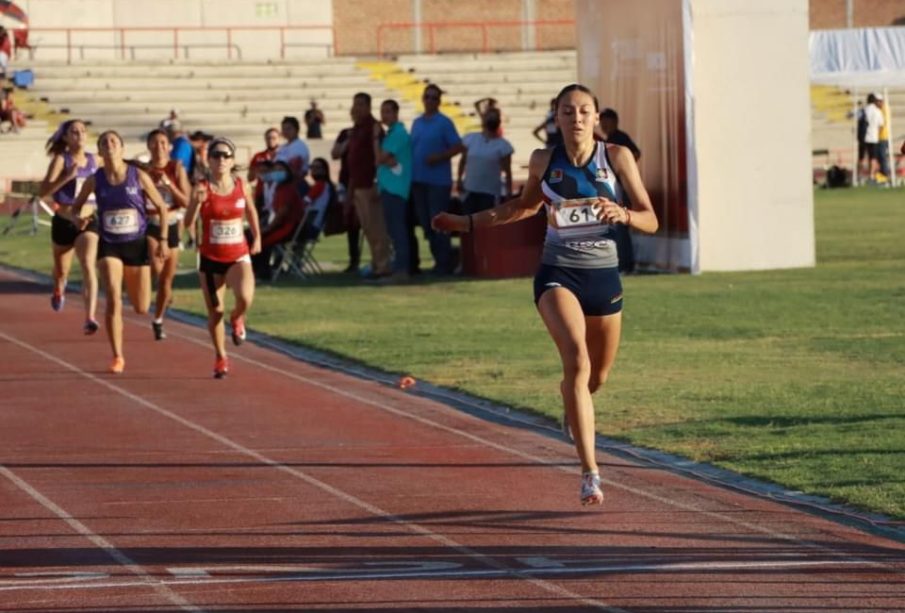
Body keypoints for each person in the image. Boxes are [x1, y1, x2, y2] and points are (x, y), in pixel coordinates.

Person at [432, 84, 658, 505]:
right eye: (568, 111)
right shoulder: (543, 159)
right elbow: (522, 207)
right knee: (577, 361)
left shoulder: (617, 157)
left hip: (604, 278)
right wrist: (467, 223)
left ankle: (573, 402)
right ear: (556, 117)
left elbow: (651, 219)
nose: (576, 118)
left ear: (595, 117)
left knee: (597, 377)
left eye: (584, 111)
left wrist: (623, 213)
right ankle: (590, 473)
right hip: (558, 273)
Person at [70, 130, 170, 374]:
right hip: (110, 245)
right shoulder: (96, 179)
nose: (109, 145)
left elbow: (162, 208)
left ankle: (136, 306)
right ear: (101, 152)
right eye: (104, 143)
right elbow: (76, 208)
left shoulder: (137, 175)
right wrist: (79, 220)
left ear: (122, 149)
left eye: (114, 141)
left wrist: (164, 239)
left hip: (136, 245)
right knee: (113, 297)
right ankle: (117, 356)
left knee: (141, 307)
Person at [184, 137, 261, 379]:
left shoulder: (241, 185)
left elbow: (250, 210)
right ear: (209, 160)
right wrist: (196, 203)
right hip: (210, 257)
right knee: (215, 311)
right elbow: (187, 223)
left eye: (225, 155)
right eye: (216, 155)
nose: (221, 160)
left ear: (232, 160)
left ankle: (237, 317)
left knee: (245, 297)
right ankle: (220, 357)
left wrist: (257, 237)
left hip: (238, 254)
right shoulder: (202, 187)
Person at [38, 119, 101, 334]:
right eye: (74, 132)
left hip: (88, 221)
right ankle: (58, 288)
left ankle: (90, 316)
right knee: (61, 271)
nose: (80, 135)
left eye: (83, 130)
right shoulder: (60, 160)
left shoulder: (95, 160)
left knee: (88, 264)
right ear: (65, 137)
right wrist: (67, 176)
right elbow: (43, 192)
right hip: (64, 222)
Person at [411, 84, 465, 275]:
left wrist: (440, 157)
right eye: (427, 97)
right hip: (418, 180)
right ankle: (440, 260)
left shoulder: (444, 122)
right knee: (426, 224)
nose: (430, 100)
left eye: (434, 98)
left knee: (438, 223)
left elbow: (459, 146)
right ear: (422, 99)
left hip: (438, 182)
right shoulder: (416, 122)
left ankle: (444, 263)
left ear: (439, 101)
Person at [144, 129, 191, 340]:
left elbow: (187, 202)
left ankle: (158, 319)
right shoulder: (143, 170)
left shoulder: (176, 168)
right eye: (155, 143)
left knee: (166, 281)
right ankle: (145, 292)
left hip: (171, 223)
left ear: (169, 146)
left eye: (163, 142)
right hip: (150, 224)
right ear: (148, 146)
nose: (159, 146)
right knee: (157, 266)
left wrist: (169, 186)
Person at [347, 92, 391, 279]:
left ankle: (383, 266)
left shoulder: (373, 128)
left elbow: (378, 157)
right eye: (355, 104)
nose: (356, 108)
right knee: (368, 228)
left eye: (360, 104)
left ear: (368, 106)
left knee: (376, 228)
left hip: (369, 184)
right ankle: (376, 263)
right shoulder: (357, 128)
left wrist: (377, 182)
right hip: (358, 184)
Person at [596, 108, 640, 272]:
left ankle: (626, 265)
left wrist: (624, 169)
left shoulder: (619, 138)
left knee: (621, 226)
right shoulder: (608, 139)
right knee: (616, 227)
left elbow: (636, 153)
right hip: (614, 188)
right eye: (603, 122)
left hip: (621, 188)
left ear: (615, 121)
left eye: (608, 121)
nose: (605, 125)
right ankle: (619, 263)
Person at [375, 98, 413, 282]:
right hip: (389, 187)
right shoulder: (391, 134)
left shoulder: (398, 133)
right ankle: (398, 267)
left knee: (397, 230)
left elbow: (381, 157)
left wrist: (376, 140)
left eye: (388, 111)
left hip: (395, 189)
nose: (384, 115)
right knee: (393, 230)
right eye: (382, 111)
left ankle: (401, 269)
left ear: (396, 113)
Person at [253, 160, 304, 281]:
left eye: (280, 170)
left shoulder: (287, 189)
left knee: (260, 241)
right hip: (284, 225)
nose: (277, 173)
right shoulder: (280, 188)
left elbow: (282, 213)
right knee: (255, 236)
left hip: (289, 227)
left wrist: (268, 228)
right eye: (275, 170)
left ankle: (262, 273)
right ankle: (255, 270)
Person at [457, 108, 513, 214]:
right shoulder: (470, 138)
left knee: (485, 226)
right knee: (467, 225)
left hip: (490, 193)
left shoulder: (504, 145)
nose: (492, 119)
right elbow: (462, 161)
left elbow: (508, 172)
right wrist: (459, 179)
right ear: (483, 120)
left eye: (494, 117)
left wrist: (508, 192)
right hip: (469, 190)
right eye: (489, 116)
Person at [330, 119, 362, 273]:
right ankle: (353, 260)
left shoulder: (369, 133)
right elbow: (335, 154)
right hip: (345, 181)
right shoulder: (345, 134)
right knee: (351, 223)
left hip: (363, 182)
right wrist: (348, 141)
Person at [247, 127, 281, 213]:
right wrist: (257, 171)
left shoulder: (283, 155)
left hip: (278, 192)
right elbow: (250, 178)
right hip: (261, 193)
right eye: (268, 138)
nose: (271, 140)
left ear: (279, 139)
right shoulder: (258, 156)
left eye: (274, 138)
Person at [276, 115, 311, 186]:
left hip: (295, 185)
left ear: (296, 129)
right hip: (282, 184)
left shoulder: (299, 146)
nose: (286, 131)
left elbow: (295, 169)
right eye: (284, 129)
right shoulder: (282, 147)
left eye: (289, 129)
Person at [864, 93, 884, 183]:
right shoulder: (877, 111)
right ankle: (872, 175)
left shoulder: (866, 109)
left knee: (870, 157)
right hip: (874, 137)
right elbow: (881, 125)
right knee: (874, 158)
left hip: (866, 137)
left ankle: (870, 174)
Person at [875, 94, 892, 182]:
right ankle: (883, 173)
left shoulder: (883, 110)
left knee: (882, 156)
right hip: (881, 137)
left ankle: (885, 174)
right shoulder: (882, 109)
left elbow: (881, 124)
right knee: (880, 156)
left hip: (883, 137)